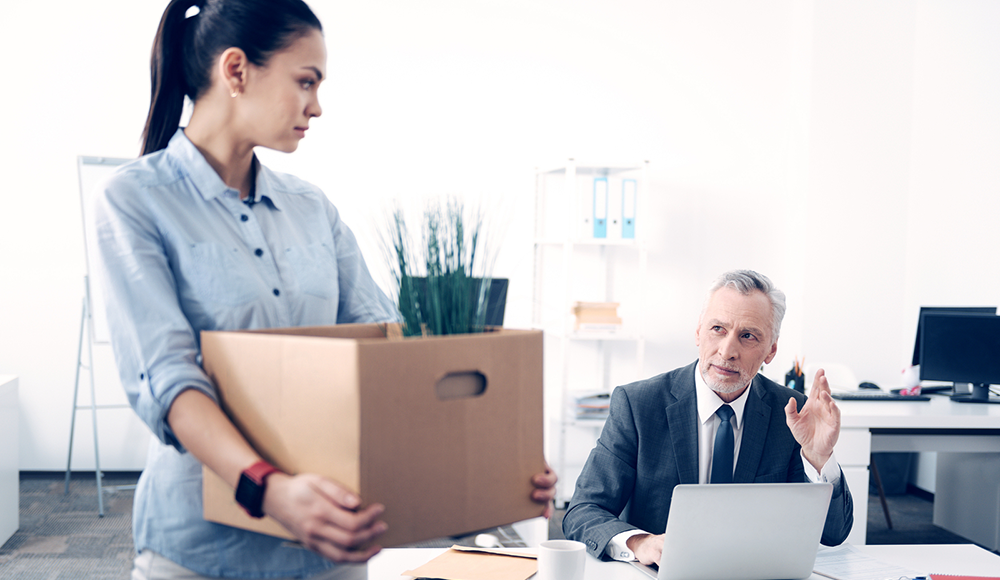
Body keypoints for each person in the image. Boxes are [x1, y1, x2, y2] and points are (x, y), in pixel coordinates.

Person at [92, 1, 557, 578]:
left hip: (333, 546)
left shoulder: (311, 208)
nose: (317, 106)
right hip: (204, 549)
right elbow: (168, 379)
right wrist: (270, 489)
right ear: (236, 70)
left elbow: (391, 352)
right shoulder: (135, 200)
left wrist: (488, 466)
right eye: (306, 81)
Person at [562, 269, 853, 565]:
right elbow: (583, 512)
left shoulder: (791, 412)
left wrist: (818, 458)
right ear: (698, 332)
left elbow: (833, 534)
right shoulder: (638, 405)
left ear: (771, 351)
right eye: (718, 329)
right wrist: (640, 543)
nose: (727, 351)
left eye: (748, 336)